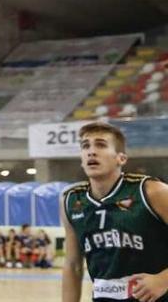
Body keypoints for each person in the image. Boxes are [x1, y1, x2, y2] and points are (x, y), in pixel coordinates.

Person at [62, 122, 168, 302]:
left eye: (101, 145)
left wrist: (163, 279)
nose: (91, 151)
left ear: (121, 158)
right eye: (85, 146)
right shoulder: (71, 200)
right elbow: (73, 265)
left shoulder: (152, 191)